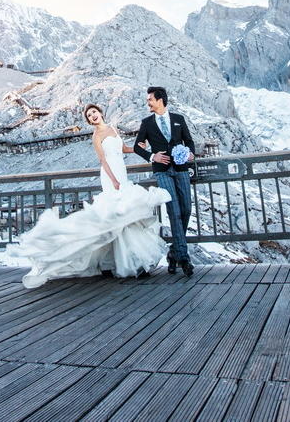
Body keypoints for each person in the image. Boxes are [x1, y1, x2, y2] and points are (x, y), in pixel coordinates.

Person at [10, 104, 171, 289]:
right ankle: (124, 263)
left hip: (122, 171)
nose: (92, 115)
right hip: (110, 175)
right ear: (89, 121)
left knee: (125, 216)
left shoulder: (112, 128)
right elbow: (103, 160)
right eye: (89, 115)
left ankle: (122, 262)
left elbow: (124, 149)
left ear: (100, 113)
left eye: (94, 112)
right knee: (116, 214)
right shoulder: (96, 136)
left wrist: (140, 148)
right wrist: (114, 180)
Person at [133, 86, 196, 276]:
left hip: (181, 169)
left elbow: (189, 141)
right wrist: (153, 156)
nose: (148, 103)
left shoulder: (178, 119)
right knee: (174, 212)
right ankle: (184, 259)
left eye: (150, 100)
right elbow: (137, 147)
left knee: (186, 209)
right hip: (162, 172)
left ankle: (173, 253)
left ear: (160, 100)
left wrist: (190, 154)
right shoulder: (147, 123)